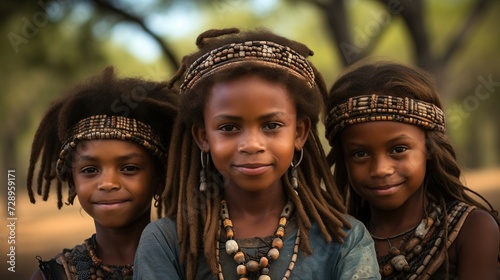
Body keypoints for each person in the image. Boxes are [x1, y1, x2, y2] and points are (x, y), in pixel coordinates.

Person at [133, 28, 380, 280]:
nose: (251, 144)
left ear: (299, 132)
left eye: (271, 125)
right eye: (229, 128)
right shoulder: (167, 242)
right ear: (203, 137)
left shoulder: (344, 240)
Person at [324, 60, 500, 279]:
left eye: (398, 149)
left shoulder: (472, 229)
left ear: (429, 148)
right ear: (343, 159)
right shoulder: (333, 242)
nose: (380, 169)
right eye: (360, 154)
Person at [26, 67, 178, 280]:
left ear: (160, 178)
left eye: (129, 168)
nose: (108, 183)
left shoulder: (192, 264)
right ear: (72, 182)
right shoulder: (57, 275)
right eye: (90, 170)